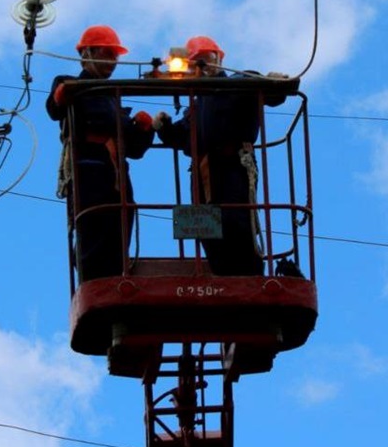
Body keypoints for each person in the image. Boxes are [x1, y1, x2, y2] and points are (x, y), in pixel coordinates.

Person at [154, 36, 286, 276]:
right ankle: (220, 272)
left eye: (207, 59)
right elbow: (184, 137)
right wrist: (164, 128)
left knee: (236, 222)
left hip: (233, 167)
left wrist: (274, 84)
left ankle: (249, 275)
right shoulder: (196, 106)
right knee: (205, 229)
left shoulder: (239, 83)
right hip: (203, 174)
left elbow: (268, 94)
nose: (204, 65)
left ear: (220, 59)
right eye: (197, 61)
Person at [46, 25, 154, 282]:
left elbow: (135, 150)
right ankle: (95, 280)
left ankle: (115, 278)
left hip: (117, 178)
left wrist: (145, 129)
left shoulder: (112, 99)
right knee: (94, 231)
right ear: (87, 53)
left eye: (115, 56)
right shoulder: (74, 85)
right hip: (90, 174)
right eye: (106, 54)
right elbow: (54, 108)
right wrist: (62, 94)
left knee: (119, 229)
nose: (112, 61)